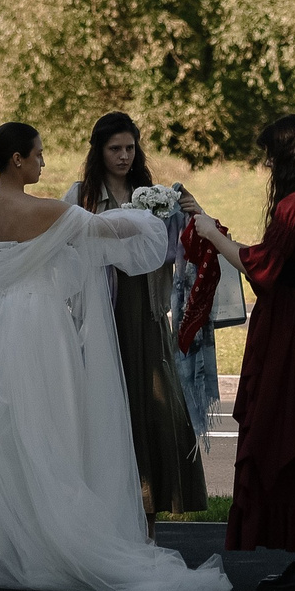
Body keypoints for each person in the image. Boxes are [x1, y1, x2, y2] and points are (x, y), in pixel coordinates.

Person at [0, 122, 235, 591]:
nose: (44, 163)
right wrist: (155, 216)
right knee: (52, 425)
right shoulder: (50, 210)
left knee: (1, 425)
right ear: (17, 160)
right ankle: (54, 538)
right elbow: (111, 231)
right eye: (38, 154)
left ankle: (5, 537)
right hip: (38, 323)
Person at [186, 113, 295, 591]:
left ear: (284, 158)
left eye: (270, 158)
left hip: (294, 329)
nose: (266, 167)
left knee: (293, 432)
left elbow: (260, 267)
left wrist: (212, 235)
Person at [65, 112, 205, 524]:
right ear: (99, 152)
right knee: (105, 416)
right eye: (115, 149)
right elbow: (61, 246)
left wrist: (193, 214)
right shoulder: (81, 196)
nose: (124, 156)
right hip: (100, 314)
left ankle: (148, 522)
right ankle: (103, 521)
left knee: (154, 413)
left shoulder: (157, 195)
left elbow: (190, 249)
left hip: (145, 312)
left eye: (130, 148)